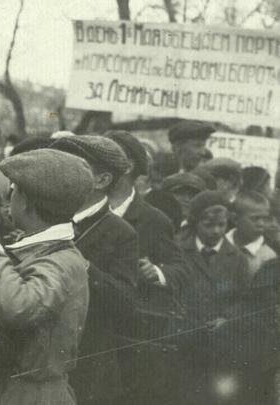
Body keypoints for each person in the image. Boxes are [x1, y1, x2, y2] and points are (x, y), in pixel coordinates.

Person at [0, 148, 93, 405]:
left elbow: (19, 307)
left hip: (35, 394)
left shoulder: (62, 260)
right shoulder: (47, 250)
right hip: (14, 388)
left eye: (13, 190)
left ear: (25, 201)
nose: (9, 198)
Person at [50, 135, 139, 405]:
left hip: (86, 365)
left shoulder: (121, 233)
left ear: (102, 181)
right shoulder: (47, 215)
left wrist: (84, 266)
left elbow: (125, 300)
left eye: (77, 166)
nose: (63, 172)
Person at [105, 130, 189, 405]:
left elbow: (181, 268)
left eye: (105, 157)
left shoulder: (154, 220)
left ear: (128, 166)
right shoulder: (80, 210)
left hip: (128, 338)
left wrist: (158, 272)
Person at [169, 190, 251, 405]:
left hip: (218, 347)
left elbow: (246, 300)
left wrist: (228, 318)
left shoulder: (238, 260)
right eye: (209, 225)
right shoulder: (178, 250)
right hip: (181, 341)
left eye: (221, 225)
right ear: (195, 222)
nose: (216, 231)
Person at [227, 191, 277, 276]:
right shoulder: (218, 243)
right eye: (255, 218)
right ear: (235, 219)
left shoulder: (268, 256)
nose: (261, 224)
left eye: (265, 218)